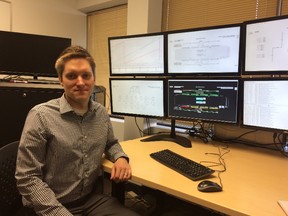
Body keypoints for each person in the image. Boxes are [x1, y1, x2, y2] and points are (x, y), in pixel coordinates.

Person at [15, 45, 140, 216]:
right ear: (60, 80)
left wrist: (121, 158)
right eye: (72, 76)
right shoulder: (40, 116)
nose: (80, 82)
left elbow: (110, 143)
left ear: (94, 78)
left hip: (90, 201)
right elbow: (27, 178)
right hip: (49, 205)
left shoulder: (101, 113)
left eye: (86, 75)